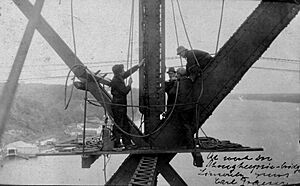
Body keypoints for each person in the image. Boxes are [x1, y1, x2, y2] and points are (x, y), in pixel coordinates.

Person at [110, 59, 145, 150]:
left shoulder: (118, 77)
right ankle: (119, 143)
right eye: (123, 70)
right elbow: (124, 91)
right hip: (119, 106)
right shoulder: (116, 81)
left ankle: (123, 143)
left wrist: (138, 66)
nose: (124, 71)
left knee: (122, 124)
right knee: (120, 125)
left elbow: (127, 73)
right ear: (120, 72)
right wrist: (129, 84)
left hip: (120, 106)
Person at [174, 67, 195, 148]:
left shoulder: (180, 83)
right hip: (191, 107)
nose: (176, 76)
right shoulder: (189, 81)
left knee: (185, 126)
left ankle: (189, 144)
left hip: (184, 108)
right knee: (189, 125)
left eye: (177, 74)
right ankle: (189, 142)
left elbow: (180, 96)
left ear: (179, 74)